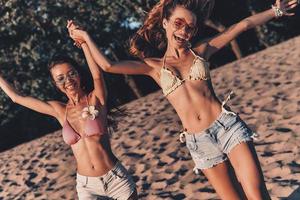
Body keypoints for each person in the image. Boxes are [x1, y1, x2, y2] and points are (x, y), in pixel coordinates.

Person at [67, 0, 298, 199]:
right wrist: (85, 38)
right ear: (165, 23)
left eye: (190, 27)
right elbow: (108, 66)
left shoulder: (202, 51)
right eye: (178, 23)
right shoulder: (153, 67)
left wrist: (275, 11)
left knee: (257, 195)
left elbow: (241, 26)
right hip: (199, 142)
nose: (184, 31)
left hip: (227, 127)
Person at [0, 22, 137, 200]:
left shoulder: (96, 99)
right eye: (60, 78)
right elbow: (16, 97)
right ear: (56, 84)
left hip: (116, 181)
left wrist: (83, 41)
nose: (68, 81)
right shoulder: (59, 110)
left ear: (79, 74)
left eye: (72, 73)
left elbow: (97, 74)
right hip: (88, 187)